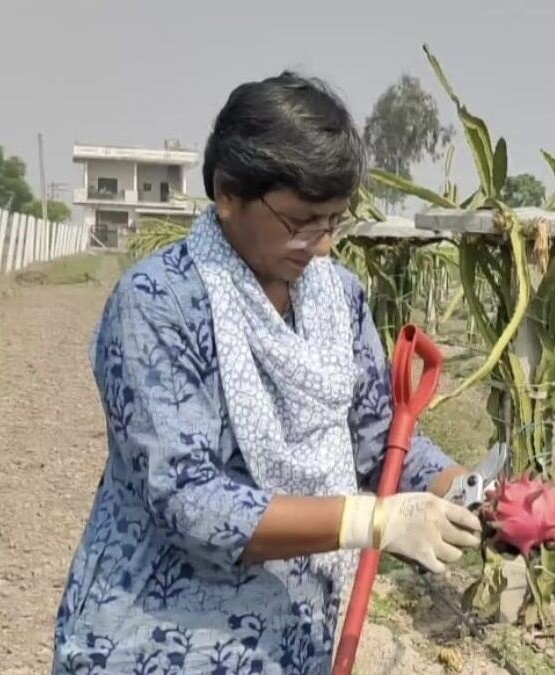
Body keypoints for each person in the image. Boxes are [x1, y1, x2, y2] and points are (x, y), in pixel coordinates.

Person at [51, 71, 485, 674]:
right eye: (300, 221)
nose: (323, 244)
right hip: (163, 643)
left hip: (292, 641)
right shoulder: (160, 303)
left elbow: (375, 435)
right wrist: (370, 519)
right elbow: (188, 499)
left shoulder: (339, 299)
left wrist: (466, 489)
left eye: (333, 220)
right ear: (229, 193)